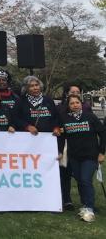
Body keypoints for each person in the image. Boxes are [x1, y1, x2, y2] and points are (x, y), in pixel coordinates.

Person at [58, 95, 106, 223]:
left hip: (90, 155)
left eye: (77, 102)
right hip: (74, 156)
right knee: (80, 181)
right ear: (68, 106)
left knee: (85, 179)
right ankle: (85, 205)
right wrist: (60, 151)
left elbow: (102, 132)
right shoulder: (65, 119)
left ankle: (89, 208)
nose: (75, 105)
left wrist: (102, 152)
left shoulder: (90, 117)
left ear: (81, 103)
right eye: (72, 103)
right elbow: (62, 136)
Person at [56, 81, 89, 210]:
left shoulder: (86, 107)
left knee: (82, 176)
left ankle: (86, 202)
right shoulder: (59, 108)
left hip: (81, 147)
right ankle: (67, 200)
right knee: (65, 173)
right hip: (65, 145)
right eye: (72, 92)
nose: (75, 94)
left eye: (77, 92)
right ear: (66, 93)